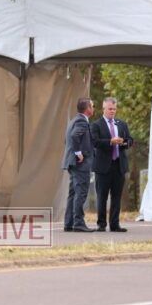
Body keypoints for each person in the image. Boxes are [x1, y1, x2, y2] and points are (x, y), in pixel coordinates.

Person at [91, 97, 134, 232]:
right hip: (103, 167)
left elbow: (130, 140)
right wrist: (110, 142)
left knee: (116, 197)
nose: (112, 111)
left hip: (119, 166)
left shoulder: (121, 124)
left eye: (114, 109)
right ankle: (101, 224)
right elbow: (95, 142)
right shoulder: (96, 125)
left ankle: (115, 224)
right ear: (103, 108)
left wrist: (123, 142)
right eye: (110, 109)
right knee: (102, 197)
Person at [62, 97, 96, 232]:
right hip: (80, 164)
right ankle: (78, 223)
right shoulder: (82, 121)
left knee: (73, 193)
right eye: (92, 106)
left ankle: (69, 222)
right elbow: (75, 136)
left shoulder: (74, 120)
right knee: (81, 192)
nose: (94, 108)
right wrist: (78, 153)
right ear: (88, 108)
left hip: (72, 163)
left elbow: (67, 139)